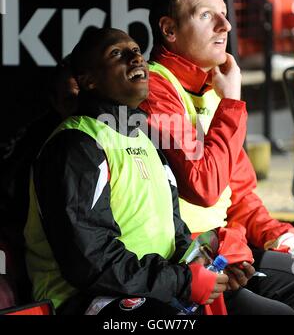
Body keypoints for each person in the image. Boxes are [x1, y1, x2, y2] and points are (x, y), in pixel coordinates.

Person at [23, 27, 230, 316]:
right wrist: (180, 281)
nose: (136, 58)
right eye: (117, 53)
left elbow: (175, 234)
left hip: (156, 291)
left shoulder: (145, 139)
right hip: (87, 301)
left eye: (136, 50)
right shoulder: (76, 145)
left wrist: (208, 269)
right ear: (88, 80)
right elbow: (89, 262)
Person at [139, 0, 294, 314]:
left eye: (224, 13)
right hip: (182, 265)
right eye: (206, 15)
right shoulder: (155, 90)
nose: (225, 25)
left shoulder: (213, 91)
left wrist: (279, 236)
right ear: (169, 30)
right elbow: (205, 186)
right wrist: (231, 102)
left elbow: (238, 193)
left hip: (224, 252)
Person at [0, 55, 79, 305]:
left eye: (86, 96)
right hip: (40, 264)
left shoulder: (124, 132)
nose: (79, 107)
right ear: (54, 101)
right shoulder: (38, 140)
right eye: (70, 99)